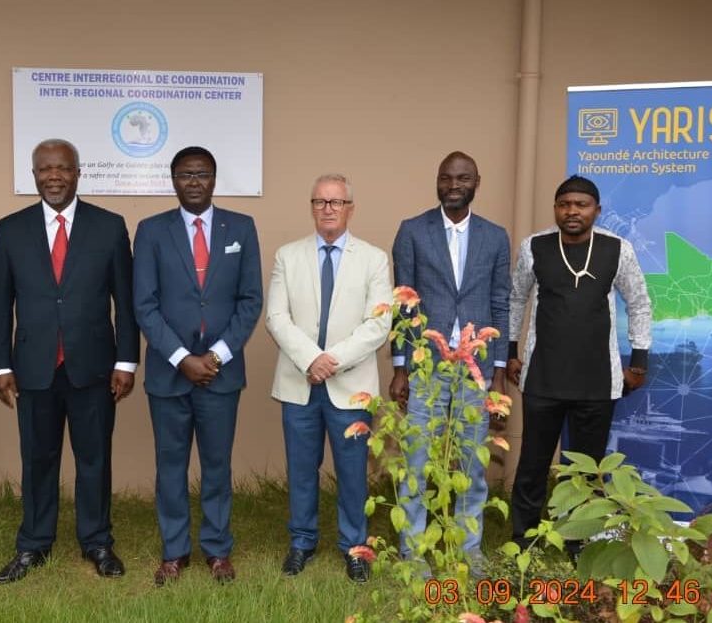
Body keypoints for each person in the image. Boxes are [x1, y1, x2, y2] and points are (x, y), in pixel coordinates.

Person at [0, 139, 139, 584]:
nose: (54, 176)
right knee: (37, 458)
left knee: (94, 457)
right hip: (33, 368)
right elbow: (1, 303)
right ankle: (34, 543)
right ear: (34, 175)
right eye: (44, 169)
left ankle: (97, 540)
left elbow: (124, 303)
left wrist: (126, 362)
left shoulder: (109, 227)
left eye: (63, 168)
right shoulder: (10, 229)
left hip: (93, 367)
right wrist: (0, 365)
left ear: (78, 172)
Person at [133, 146, 263, 585]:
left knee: (216, 466)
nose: (194, 181)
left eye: (202, 174)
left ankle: (217, 549)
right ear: (173, 181)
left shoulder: (241, 228)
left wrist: (216, 356)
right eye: (185, 175)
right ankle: (174, 551)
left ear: (214, 179)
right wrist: (182, 359)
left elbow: (250, 301)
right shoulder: (151, 231)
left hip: (221, 373)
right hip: (169, 374)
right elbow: (144, 305)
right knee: (170, 465)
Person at [507, 175, 651, 549]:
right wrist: (509, 352)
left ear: (597, 211)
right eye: (564, 204)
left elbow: (638, 303)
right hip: (542, 378)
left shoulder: (617, 249)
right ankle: (523, 541)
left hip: (597, 382)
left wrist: (638, 359)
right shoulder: (534, 247)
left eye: (581, 204)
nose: (572, 211)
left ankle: (577, 544)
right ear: (556, 208)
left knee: (586, 470)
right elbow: (516, 299)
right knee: (532, 466)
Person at [265, 174, 393, 583]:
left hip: (350, 385)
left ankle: (354, 546)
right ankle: (302, 542)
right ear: (312, 207)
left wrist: (331, 360)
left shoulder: (374, 259)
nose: (328, 209)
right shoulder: (288, 255)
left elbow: (379, 323)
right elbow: (277, 318)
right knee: (302, 469)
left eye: (336, 202)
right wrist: (310, 360)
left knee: (353, 473)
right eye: (320, 201)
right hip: (299, 383)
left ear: (350, 208)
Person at [389, 151, 510, 563]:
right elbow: (403, 303)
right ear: (437, 181)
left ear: (477, 182)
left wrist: (497, 373)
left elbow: (500, 302)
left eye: (462, 178)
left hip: (476, 369)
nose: (453, 185)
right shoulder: (412, 231)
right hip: (427, 365)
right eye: (446, 177)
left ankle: (467, 550)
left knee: (472, 465)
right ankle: (413, 550)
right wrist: (400, 366)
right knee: (418, 460)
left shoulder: (495, 236)